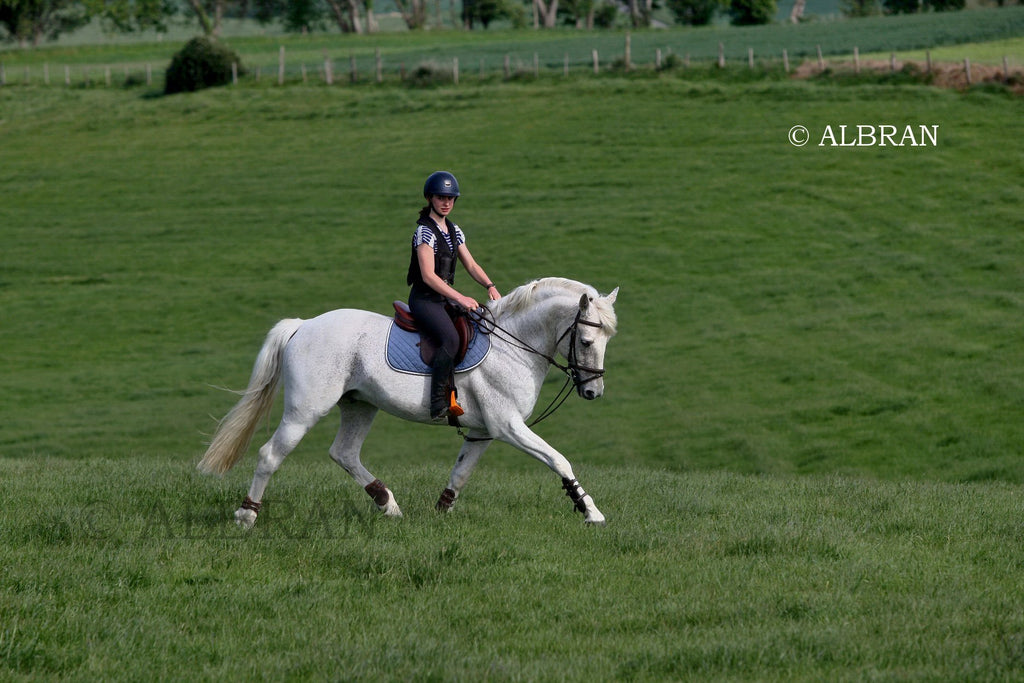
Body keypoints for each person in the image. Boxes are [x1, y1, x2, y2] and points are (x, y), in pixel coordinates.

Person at [407, 171, 501, 421]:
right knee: (450, 339)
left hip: (443, 299)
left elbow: (471, 265)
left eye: (451, 198)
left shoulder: (454, 230)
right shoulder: (424, 233)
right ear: (430, 198)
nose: (446, 202)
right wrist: (460, 298)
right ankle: (437, 401)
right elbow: (428, 276)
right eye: (441, 197)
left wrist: (489, 285)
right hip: (425, 299)